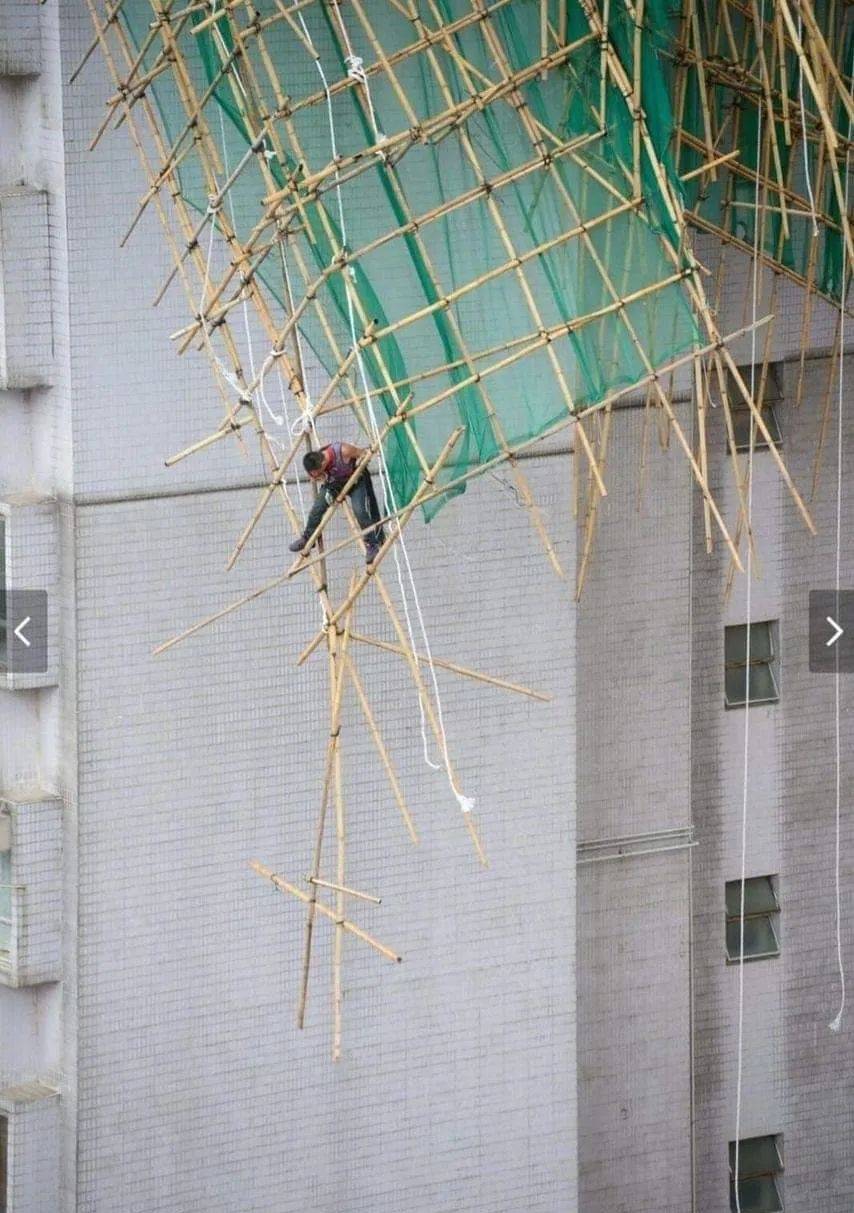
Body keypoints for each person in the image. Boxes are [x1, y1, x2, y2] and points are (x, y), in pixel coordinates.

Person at [288, 440, 386, 564]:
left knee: (360, 511)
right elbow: (320, 477)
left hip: (355, 482)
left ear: (322, 463)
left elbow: (363, 454)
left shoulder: (343, 451)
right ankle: (308, 538)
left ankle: (372, 544)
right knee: (317, 509)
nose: (313, 476)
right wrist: (319, 477)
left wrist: (363, 458)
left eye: (315, 473)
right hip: (334, 485)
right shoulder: (317, 460)